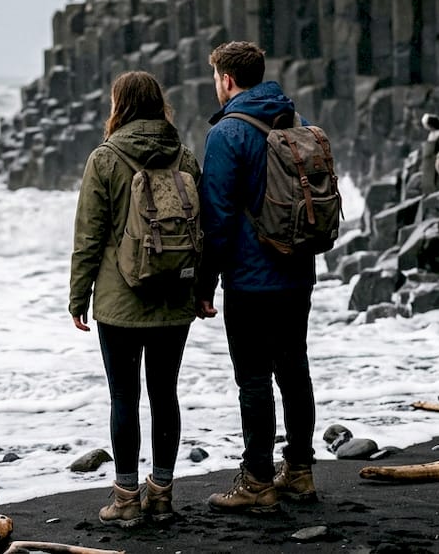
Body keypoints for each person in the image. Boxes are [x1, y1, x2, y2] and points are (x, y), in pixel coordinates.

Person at [69, 70, 202, 527]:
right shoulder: (183, 156)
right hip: (175, 295)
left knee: (124, 395)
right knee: (165, 394)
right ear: (159, 105)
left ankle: (125, 496)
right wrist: (203, 290)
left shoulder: (105, 159)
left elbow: (88, 236)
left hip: (119, 299)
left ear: (119, 105)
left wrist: (78, 296)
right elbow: (202, 231)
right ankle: (161, 493)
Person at [196, 41, 318, 511]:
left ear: (226, 79)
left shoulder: (228, 132)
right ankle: (301, 471)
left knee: (253, 379)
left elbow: (218, 218)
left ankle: (257, 481)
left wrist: (205, 284)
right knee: (294, 369)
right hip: (297, 271)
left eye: (216, 79)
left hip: (250, 279)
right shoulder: (294, 120)